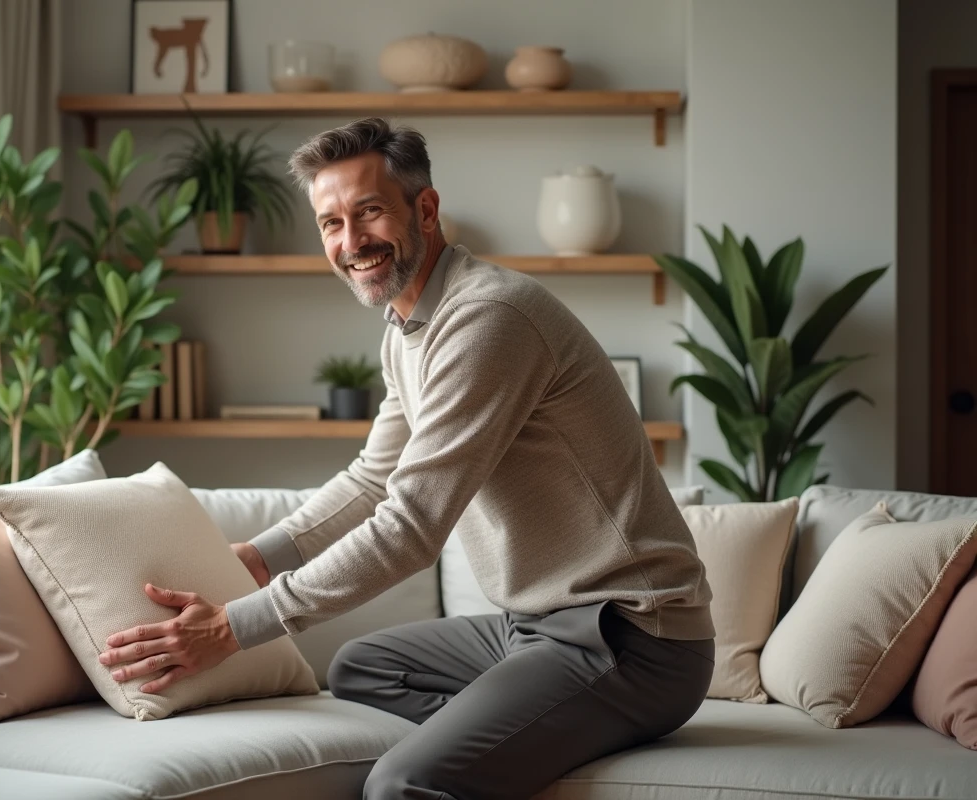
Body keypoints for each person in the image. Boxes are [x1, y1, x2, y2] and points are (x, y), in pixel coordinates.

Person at [98, 118, 715, 799]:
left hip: (632, 638)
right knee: (365, 667)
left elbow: (411, 525)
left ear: (425, 209)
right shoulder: (407, 326)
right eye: (331, 223)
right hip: (534, 630)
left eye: (368, 213)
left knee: (401, 783)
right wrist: (258, 559)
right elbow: (372, 479)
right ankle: (525, 738)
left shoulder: (487, 320)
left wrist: (233, 626)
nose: (351, 243)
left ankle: (523, 737)